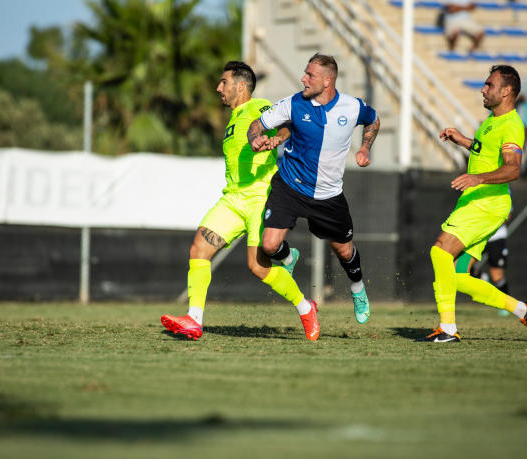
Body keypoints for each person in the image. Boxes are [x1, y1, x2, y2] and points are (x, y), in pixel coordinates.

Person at [160, 61, 319, 341]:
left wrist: (275, 140)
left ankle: (306, 307)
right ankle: (194, 320)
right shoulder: (234, 118)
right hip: (233, 198)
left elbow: (288, 127)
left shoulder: (258, 107)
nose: (218, 87)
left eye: (224, 82)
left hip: (260, 195)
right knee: (199, 249)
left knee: (257, 267)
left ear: (241, 85)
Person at [247, 53, 380, 325]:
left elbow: (374, 120)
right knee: (269, 245)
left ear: (327, 80)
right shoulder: (293, 103)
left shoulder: (352, 107)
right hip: (290, 187)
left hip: (329, 196)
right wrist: (255, 139)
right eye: (305, 74)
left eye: (310, 75)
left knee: (344, 251)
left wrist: (365, 147)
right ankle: (288, 256)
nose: (303, 79)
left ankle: (357, 290)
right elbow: (257, 125)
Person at [418, 65, 527, 343]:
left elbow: (513, 169)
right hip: (480, 202)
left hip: (486, 202)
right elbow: (485, 151)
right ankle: (523, 309)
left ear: (507, 90)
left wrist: (477, 178)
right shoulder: (491, 119)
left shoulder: (511, 124)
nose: (483, 90)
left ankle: (448, 329)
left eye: (489, 85)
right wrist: (463, 140)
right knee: (458, 275)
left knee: (440, 252)